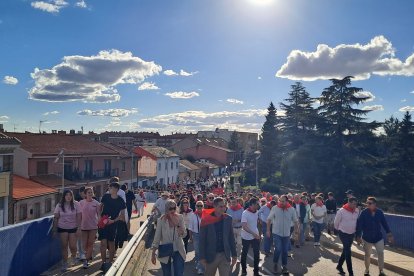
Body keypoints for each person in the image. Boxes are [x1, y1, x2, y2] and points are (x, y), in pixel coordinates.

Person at [356, 197, 394, 276]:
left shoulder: (379, 212)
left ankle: (381, 270)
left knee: (381, 253)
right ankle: (367, 270)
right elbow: (359, 225)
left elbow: (384, 224)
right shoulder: (364, 213)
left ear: (374, 204)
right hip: (367, 238)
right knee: (367, 255)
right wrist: (358, 236)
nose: (367, 204)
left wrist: (389, 234)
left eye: (369, 203)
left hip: (378, 237)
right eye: (367, 203)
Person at [199, 197, 237, 276]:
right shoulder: (206, 219)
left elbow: (231, 238)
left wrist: (234, 254)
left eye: (224, 206)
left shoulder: (228, 218)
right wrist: (202, 257)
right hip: (211, 255)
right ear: (215, 206)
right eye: (221, 206)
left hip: (225, 255)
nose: (223, 208)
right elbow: (202, 239)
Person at [151, 200, 186, 276]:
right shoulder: (161, 220)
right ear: (166, 209)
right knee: (167, 274)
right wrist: (153, 253)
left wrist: (179, 227)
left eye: (174, 208)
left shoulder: (180, 217)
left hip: (178, 249)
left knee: (179, 273)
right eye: (170, 209)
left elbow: (184, 235)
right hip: (165, 249)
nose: (173, 210)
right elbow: (157, 237)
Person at [266, 195, 298, 275]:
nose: (281, 202)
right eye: (280, 201)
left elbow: (296, 221)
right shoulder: (275, 208)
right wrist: (268, 230)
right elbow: (269, 219)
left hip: (286, 234)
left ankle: (284, 266)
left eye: (283, 201)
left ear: (287, 201)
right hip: (276, 233)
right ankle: (275, 263)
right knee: (278, 249)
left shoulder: (291, 209)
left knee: (285, 251)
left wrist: (296, 232)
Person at [98, 182, 126, 272]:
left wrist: (113, 221)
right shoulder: (106, 197)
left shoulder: (121, 201)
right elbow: (100, 206)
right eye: (109, 187)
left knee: (111, 242)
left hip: (113, 223)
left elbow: (122, 215)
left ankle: (110, 263)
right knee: (103, 242)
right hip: (103, 222)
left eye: (110, 188)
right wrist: (99, 217)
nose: (109, 189)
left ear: (116, 189)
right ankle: (103, 263)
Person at [53, 189, 82, 272]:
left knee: (72, 246)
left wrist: (79, 228)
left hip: (73, 227)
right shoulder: (59, 205)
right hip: (62, 227)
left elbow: (79, 217)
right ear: (64, 196)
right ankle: (65, 263)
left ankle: (73, 256)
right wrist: (54, 230)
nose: (68, 197)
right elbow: (56, 217)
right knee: (64, 246)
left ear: (72, 196)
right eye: (67, 195)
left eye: (70, 195)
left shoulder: (76, 204)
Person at [334, 197, 359, 276]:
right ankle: (351, 272)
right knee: (348, 251)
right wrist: (339, 230)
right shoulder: (341, 211)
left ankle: (339, 266)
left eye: (356, 204)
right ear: (349, 203)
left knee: (345, 250)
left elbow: (356, 221)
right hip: (343, 233)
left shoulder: (357, 210)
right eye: (354, 204)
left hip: (351, 234)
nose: (355, 205)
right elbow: (336, 222)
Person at [79, 187, 100, 269]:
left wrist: (99, 223)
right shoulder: (81, 203)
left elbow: (99, 214)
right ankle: (87, 256)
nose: (90, 194)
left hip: (93, 226)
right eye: (88, 192)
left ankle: (86, 261)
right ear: (85, 194)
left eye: (91, 192)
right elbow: (77, 214)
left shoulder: (96, 203)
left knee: (90, 243)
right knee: (84, 244)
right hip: (83, 226)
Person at [241, 198, 261, 276]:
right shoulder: (245, 213)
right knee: (244, 253)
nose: (258, 205)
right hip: (246, 237)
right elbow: (244, 226)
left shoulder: (257, 212)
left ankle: (256, 271)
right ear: (252, 204)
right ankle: (244, 270)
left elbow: (257, 223)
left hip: (255, 237)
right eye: (257, 204)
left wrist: (258, 233)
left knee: (256, 254)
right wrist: (253, 233)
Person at [226, 197, 244, 261]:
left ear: (237, 202)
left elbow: (244, 219)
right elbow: (226, 219)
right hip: (232, 229)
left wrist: (238, 220)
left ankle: (238, 255)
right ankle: (233, 255)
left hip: (239, 228)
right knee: (233, 243)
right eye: (232, 202)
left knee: (239, 243)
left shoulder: (241, 209)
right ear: (230, 203)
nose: (233, 203)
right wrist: (231, 221)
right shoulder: (228, 210)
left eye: (234, 202)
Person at [189, 201, 204, 275]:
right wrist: (190, 237)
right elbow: (190, 228)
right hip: (196, 235)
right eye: (198, 206)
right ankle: (199, 264)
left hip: (204, 235)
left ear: (203, 206)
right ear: (196, 207)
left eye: (201, 206)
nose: (199, 207)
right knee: (197, 252)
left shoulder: (206, 215)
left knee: (203, 252)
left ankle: (201, 267)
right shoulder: (192, 215)